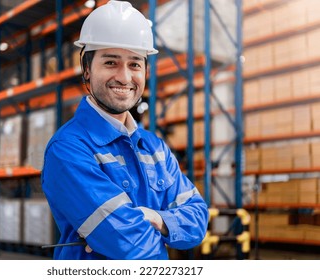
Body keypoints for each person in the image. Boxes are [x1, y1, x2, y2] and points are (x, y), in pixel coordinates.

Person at [42, 0, 208, 260]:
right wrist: (167, 225)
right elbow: (130, 246)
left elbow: (198, 219)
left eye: (134, 64)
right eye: (110, 63)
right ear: (87, 69)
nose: (125, 77)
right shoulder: (68, 149)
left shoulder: (155, 148)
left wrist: (155, 218)